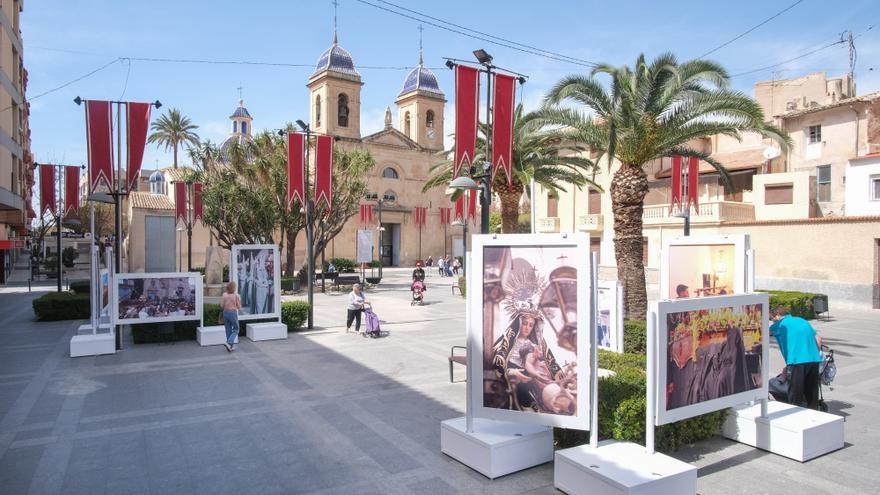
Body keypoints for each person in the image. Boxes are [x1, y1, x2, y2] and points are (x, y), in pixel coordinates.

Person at [770, 306, 823, 409]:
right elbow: (818, 339)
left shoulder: (779, 324)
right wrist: (817, 354)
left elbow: (763, 334)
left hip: (797, 362)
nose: (772, 322)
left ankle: (795, 417)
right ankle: (814, 415)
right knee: (812, 394)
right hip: (814, 360)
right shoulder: (802, 321)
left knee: (795, 394)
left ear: (777, 316)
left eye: (772, 319)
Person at [221, 281, 241, 352]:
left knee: (228, 329)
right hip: (232, 313)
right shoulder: (236, 295)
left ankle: (230, 347)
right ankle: (228, 342)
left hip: (225, 312)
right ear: (234, 288)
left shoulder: (224, 295)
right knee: (236, 329)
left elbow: (221, 305)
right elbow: (239, 307)